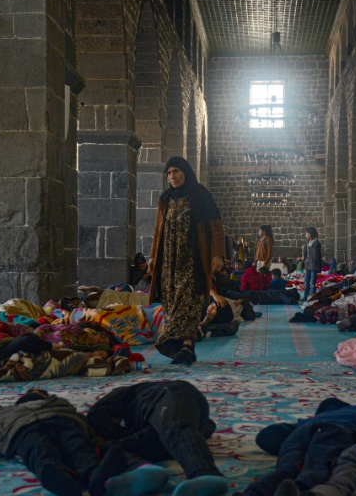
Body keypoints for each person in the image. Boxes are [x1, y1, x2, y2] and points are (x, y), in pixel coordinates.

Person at [0, 389, 104, 496]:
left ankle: (93, 473)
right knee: (40, 448)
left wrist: (103, 444)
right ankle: (57, 476)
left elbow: (88, 425)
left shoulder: (59, 403)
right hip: (23, 428)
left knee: (77, 444)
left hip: (60, 420)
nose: (35, 392)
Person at [86, 381, 229, 496]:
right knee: (113, 450)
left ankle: (207, 474)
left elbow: (95, 413)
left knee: (174, 427)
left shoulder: (130, 394)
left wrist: (119, 434)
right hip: (158, 424)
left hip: (168, 395)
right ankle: (145, 472)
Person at [147, 157, 225, 366]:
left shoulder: (200, 196)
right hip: (168, 261)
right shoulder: (165, 199)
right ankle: (182, 345)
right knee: (171, 301)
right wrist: (153, 256)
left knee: (188, 300)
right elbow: (157, 230)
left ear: (186, 172)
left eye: (176, 172)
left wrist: (217, 255)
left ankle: (187, 344)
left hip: (193, 259)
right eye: (169, 173)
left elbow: (215, 225)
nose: (172, 177)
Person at [302, 227, 322, 301]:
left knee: (312, 284)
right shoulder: (307, 243)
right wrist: (303, 263)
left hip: (314, 265)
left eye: (306, 233)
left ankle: (312, 297)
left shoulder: (317, 243)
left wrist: (319, 267)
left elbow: (318, 256)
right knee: (306, 282)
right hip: (308, 264)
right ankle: (305, 296)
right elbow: (305, 254)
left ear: (310, 234)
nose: (306, 235)